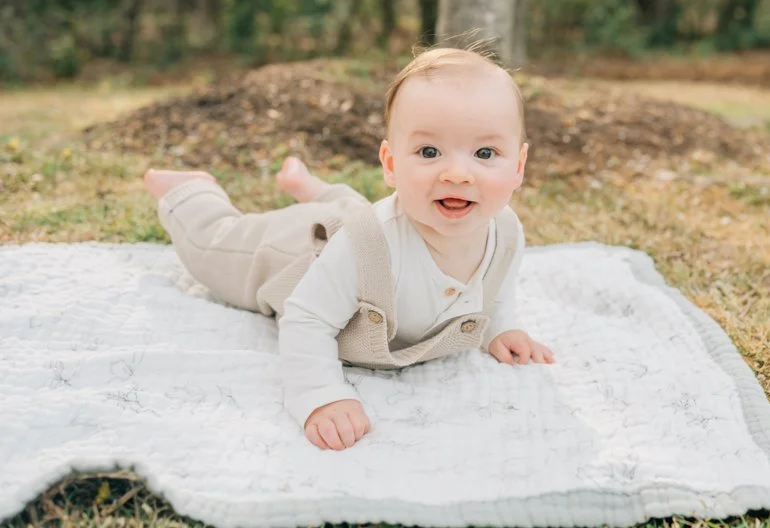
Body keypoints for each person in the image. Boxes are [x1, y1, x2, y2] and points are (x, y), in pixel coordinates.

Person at [143, 46, 554, 452]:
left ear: (518, 166)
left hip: (362, 220)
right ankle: (190, 190)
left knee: (357, 211)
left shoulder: (505, 230)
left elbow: (496, 289)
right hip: (298, 254)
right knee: (216, 247)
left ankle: (314, 189)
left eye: (485, 153)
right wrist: (321, 393)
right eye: (429, 152)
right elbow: (306, 318)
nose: (458, 173)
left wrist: (501, 327)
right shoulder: (364, 246)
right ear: (390, 164)